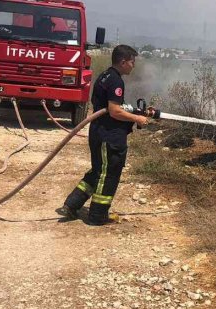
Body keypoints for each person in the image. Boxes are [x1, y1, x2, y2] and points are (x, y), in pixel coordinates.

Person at [58, 45, 150, 225]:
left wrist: (131, 111)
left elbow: (108, 107)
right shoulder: (116, 81)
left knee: (98, 171)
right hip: (110, 138)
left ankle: (72, 204)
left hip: (98, 132)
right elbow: (115, 111)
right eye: (132, 62)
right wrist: (137, 118)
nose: (133, 66)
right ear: (123, 62)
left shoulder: (105, 75)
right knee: (109, 174)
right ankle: (98, 215)